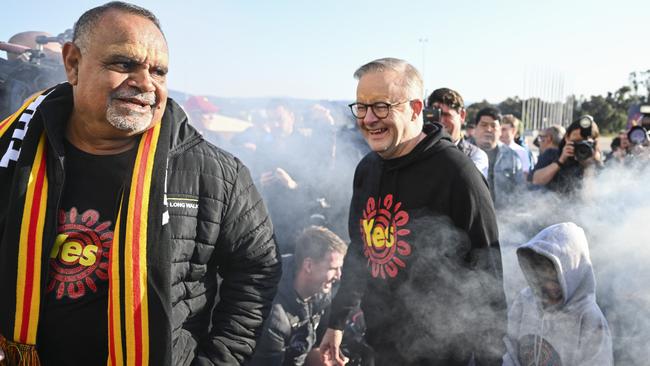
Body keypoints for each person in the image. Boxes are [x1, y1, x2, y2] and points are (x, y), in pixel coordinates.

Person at [0, 2, 281, 365]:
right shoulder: (10, 152)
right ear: (73, 64)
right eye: (124, 64)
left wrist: (217, 360)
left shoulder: (217, 173)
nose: (146, 83)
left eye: (159, 71)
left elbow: (258, 268)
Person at [319, 58, 505, 366]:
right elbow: (361, 250)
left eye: (381, 106)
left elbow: (489, 277)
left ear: (416, 109)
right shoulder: (367, 168)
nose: (368, 119)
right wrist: (336, 321)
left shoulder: (457, 174)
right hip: (379, 345)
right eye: (361, 107)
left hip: (440, 353)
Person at [503, 222, 613, 366]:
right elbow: (508, 349)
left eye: (559, 279)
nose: (551, 285)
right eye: (545, 277)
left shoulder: (589, 318)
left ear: (575, 275)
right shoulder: (525, 300)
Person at [248, 226, 347, 366]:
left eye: (340, 269)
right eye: (332, 268)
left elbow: (310, 350)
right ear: (308, 266)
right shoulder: (273, 316)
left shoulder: (321, 292)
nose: (338, 276)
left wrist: (326, 359)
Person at [530, 116, 603, 195]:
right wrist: (560, 161)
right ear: (567, 138)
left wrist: (590, 166)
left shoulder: (595, 161)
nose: (581, 146)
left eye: (586, 143)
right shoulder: (551, 154)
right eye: (576, 141)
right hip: (551, 204)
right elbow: (536, 180)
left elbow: (592, 199)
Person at [427, 87, 489, 178]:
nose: (440, 121)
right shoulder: (420, 150)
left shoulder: (475, 156)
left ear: (462, 115)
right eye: (435, 115)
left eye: (446, 115)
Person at [473, 107, 524, 208]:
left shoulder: (512, 156)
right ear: (475, 128)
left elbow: (520, 189)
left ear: (499, 130)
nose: (488, 129)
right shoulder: (464, 153)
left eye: (493, 126)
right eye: (484, 125)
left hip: (504, 217)